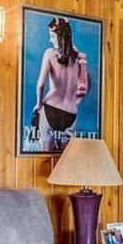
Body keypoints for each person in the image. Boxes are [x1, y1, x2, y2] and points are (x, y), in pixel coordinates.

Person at [32, 16, 91, 148]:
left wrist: (38, 104)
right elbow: (83, 88)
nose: (50, 40)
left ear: (60, 37)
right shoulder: (79, 59)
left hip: (51, 109)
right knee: (66, 159)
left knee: (46, 154)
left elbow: (40, 85)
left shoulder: (49, 54)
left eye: (52, 36)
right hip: (71, 114)